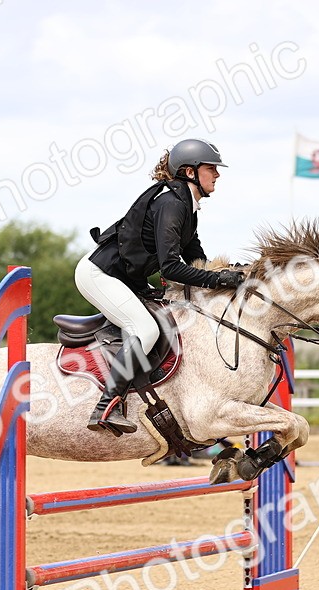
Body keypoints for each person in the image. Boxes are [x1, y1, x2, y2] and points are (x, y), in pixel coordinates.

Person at [76, 138, 245, 435]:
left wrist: (231, 274)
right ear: (190, 172)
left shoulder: (185, 206)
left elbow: (195, 259)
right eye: (211, 168)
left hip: (123, 278)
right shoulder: (171, 204)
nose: (217, 174)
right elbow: (170, 268)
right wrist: (218, 279)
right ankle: (105, 407)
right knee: (146, 329)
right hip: (99, 274)